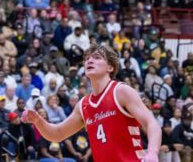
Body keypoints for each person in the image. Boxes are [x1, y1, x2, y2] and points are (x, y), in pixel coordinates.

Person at [22, 45, 161, 162]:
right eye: (87, 58)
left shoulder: (120, 91)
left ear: (110, 68)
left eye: (96, 57)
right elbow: (58, 134)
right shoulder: (83, 105)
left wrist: (153, 152)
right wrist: (38, 121)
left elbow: (151, 123)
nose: (89, 60)